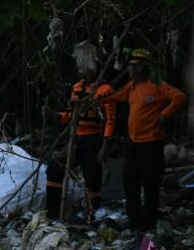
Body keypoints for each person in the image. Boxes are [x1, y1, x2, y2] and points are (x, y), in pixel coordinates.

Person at [99, 49, 186, 232]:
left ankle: (148, 224)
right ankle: (134, 221)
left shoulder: (156, 84)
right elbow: (119, 95)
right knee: (130, 180)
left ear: (139, 67)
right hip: (133, 143)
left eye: (132, 66)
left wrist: (165, 114)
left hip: (151, 144)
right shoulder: (132, 86)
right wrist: (98, 99)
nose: (129, 70)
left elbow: (179, 97)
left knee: (150, 184)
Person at [45, 73, 115, 219]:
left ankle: (91, 214)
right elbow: (73, 114)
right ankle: (53, 214)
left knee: (92, 177)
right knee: (54, 168)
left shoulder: (105, 89)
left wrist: (105, 145)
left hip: (94, 139)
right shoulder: (77, 87)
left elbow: (110, 119)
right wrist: (56, 115)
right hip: (75, 139)